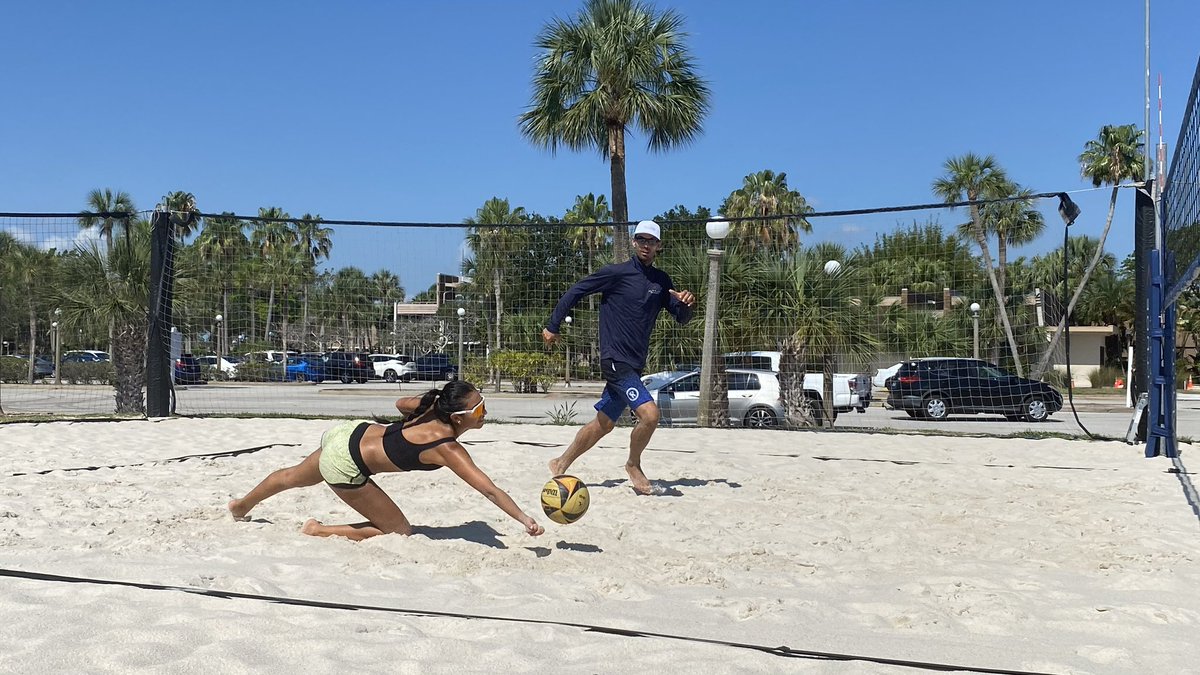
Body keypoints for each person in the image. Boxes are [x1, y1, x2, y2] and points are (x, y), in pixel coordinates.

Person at [227, 380, 545, 540]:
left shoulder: (428, 404)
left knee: (293, 476)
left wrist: (421, 404)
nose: (484, 412)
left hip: (348, 433)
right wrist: (524, 519)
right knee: (399, 532)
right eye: (479, 409)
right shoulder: (448, 449)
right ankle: (319, 530)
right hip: (347, 461)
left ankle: (242, 505)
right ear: (460, 418)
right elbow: (488, 489)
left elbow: (399, 401)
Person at [542, 220, 695, 494]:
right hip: (614, 359)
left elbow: (681, 318)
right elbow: (577, 290)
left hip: (634, 364)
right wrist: (553, 325)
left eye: (651, 241)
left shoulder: (661, 281)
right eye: (641, 240)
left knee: (604, 424)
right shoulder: (617, 273)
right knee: (650, 415)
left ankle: (560, 462)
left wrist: (686, 305)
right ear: (634, 242)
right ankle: (633, 465)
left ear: (658, 245)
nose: (646, 245)